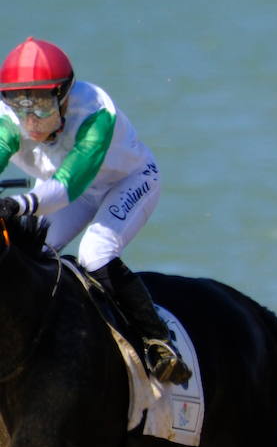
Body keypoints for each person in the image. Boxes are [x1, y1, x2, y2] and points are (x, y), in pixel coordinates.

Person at [0, 37, 192, 384]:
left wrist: (19, 204)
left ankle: (158, 341)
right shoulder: (9, 121)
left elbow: (68, 184)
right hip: (71, 192)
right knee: (33, 255)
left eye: (41, 105)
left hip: (128, 181)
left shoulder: (94, 113)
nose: (30, 120)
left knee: (95, 254)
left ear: (64, 95)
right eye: (18, 103)